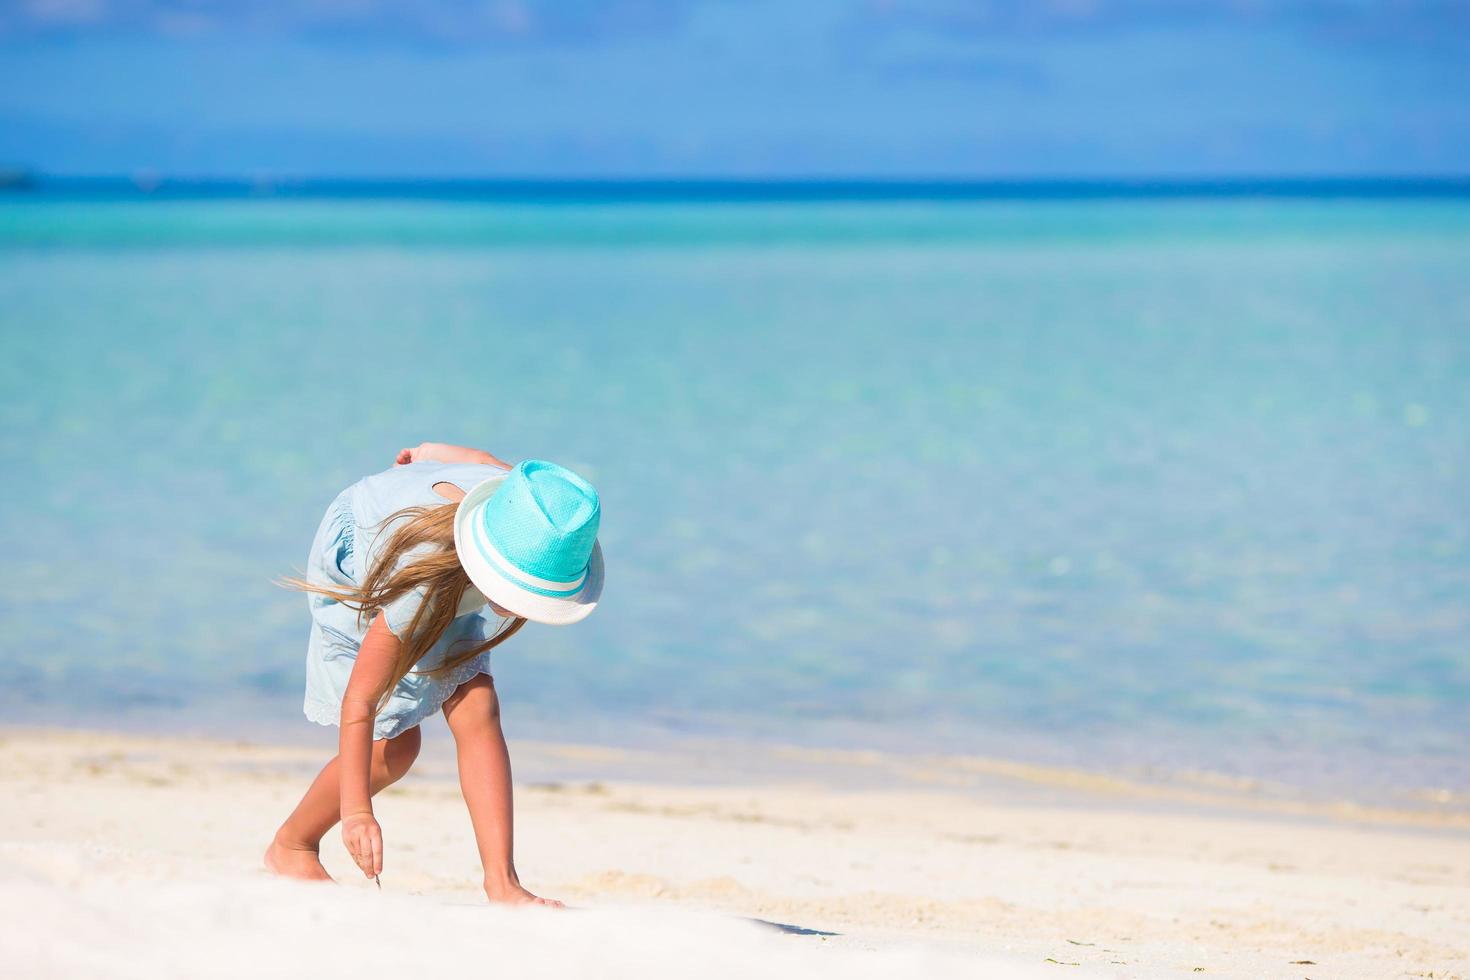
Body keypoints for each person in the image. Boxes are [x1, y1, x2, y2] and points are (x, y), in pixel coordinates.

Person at [263, 442, 603, 907]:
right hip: (372, 563)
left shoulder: (526, 505)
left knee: (478, 706)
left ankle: (502, 883)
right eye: (517, 587)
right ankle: (293, 845)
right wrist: (357, 811)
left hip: (448, 560)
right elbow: (359, 702)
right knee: (396, 750)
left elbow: (484, 461)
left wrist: (430, 451)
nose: (518, 606)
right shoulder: (419, 585)